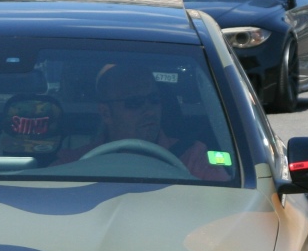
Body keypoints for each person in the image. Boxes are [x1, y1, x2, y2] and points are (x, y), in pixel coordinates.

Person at [55, 64, 231, 182]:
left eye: (154, 99)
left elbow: (227, 206)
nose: (149, 110)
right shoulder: (73, 162)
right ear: (106, 113)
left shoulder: (193, 157)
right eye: (134, 102)